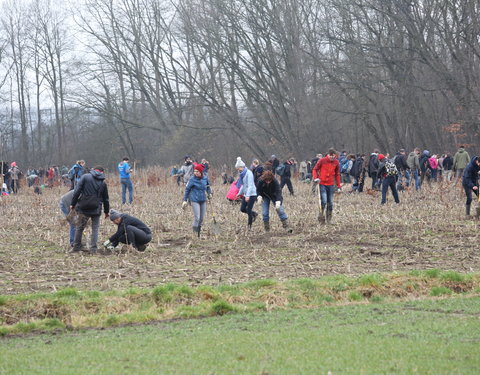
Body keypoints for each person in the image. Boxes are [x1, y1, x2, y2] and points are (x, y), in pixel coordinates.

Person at [70, 166, 110, 254]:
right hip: (96, 208)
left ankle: (76, 247)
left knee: (79, 228)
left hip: (83, 207)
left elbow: (77, 191)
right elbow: (106, 199)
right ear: (102, 172)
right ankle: (93, 249)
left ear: (93, 170)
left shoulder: (85, 177)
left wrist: (73, 204)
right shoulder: (103, 183)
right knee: (95, 228)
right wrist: (106, 212)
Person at [182, 163, 212, 238]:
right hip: (194, 200)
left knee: (201, 219)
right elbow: (187, 190)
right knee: (197, 217)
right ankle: (195, 235)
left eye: (197, 171)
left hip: (203, 200)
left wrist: (209, 193)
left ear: (201, 172)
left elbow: (208, 187)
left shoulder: (205, 178)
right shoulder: (192, 179)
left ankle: (198, 234)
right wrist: (185, 200)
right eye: (195, 171)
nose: (196, 173)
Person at [312, 149, 341, 224]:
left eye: (333, 156)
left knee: (330, 203)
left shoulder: (336, 162)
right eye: (330, 156)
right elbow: (315, 169)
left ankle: (329, 220)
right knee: (324, 201)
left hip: (331, 185)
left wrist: (338, 186)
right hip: (322, 184)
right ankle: (321, 217)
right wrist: (316, 178)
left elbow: (337, 174)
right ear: (328, 155)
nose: (332, 157)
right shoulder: (322, 160)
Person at [235, 157, 258, 229]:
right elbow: (243, 185)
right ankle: (254, 214)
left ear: (242, 167)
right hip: (246, 194)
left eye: (238, 168)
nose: (238, 170)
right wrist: (239, 193)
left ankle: (249, 226)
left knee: (248, 209)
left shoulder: (249, 173)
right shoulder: (242, 174)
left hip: (252, 194)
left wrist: (248, 196)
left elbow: (250, 185)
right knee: (242, 209)